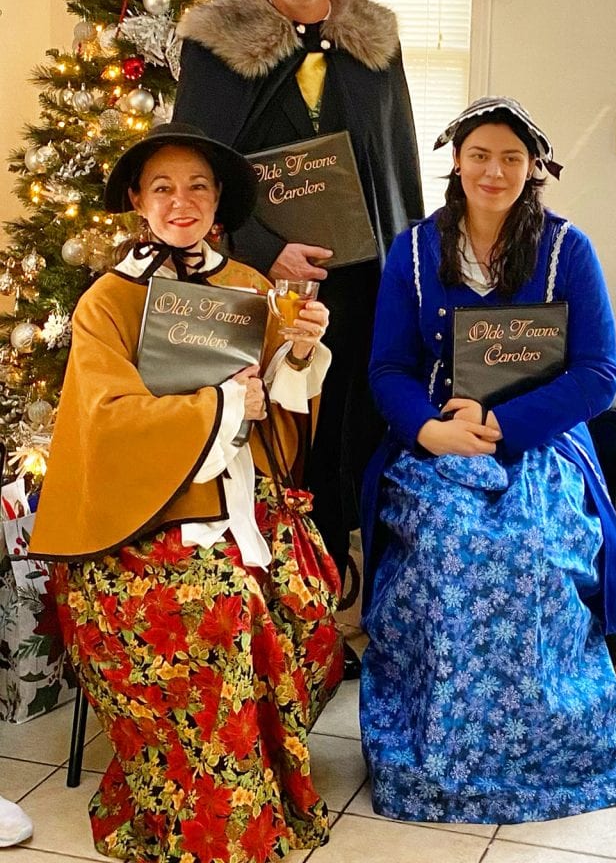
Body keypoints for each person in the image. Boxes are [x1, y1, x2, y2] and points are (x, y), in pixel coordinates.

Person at [29, 123, 343, 863]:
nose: (181, 202)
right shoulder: (107, 301)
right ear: (138, 201)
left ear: (218, 201)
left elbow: (281, 415)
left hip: (242, 502)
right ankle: (209, 810)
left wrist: (296, 352)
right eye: (163, 187)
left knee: (309, 602)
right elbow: (105, 428)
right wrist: (223, 405)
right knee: (219, 611)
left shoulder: (250, 287)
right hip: (135, 524)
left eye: (198, 186)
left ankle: (264, 777)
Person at [359, 96, 616, 824]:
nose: (494, 170)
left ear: (533, 169)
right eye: (479, 155)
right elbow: (387, 368)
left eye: (511, 158)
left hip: (538, 440)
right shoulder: (415, 251)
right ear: (456, 162)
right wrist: (429, 431)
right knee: (453, 547)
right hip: (435, 444)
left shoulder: (564, 248)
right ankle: (444, 747)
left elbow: (596, 372)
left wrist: (499, 421)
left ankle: (543, 742)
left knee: (529, 552)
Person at [173, 0, 424, 676]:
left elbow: (398, 162)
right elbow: (197, 162)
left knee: (343, 430)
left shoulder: (373, 48)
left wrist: (409, 258)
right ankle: (268, 605)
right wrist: (259, 243)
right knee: (267, 432)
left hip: (356, 282)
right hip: (255, 279)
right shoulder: (216, 48)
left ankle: (334, 602)